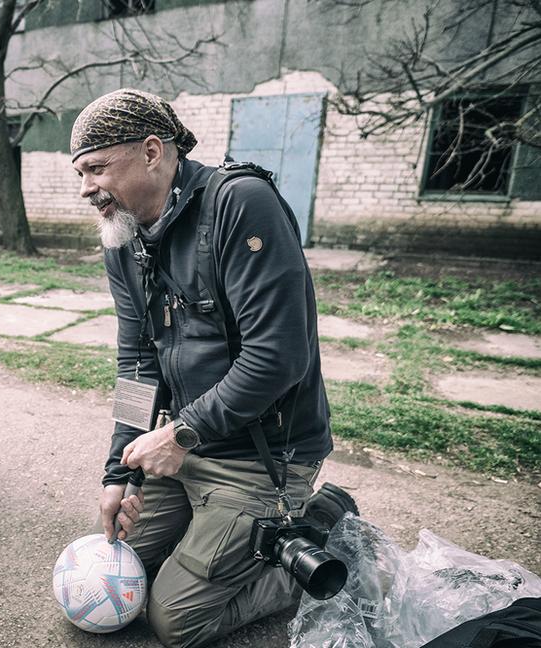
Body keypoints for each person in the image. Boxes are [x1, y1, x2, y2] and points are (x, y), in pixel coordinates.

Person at [70, 88, 360, 648]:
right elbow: (137, 361)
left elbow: (278, 356)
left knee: (175, 620)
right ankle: (220, 538)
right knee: (121, 567)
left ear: (152, 151)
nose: (86, 187)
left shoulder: (240, 203)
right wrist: (117, 473)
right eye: (80, 173)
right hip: (188, 446)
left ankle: (322, 523)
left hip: (261, 457)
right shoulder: (123, 236)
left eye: (97, 168)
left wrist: (180, 433)